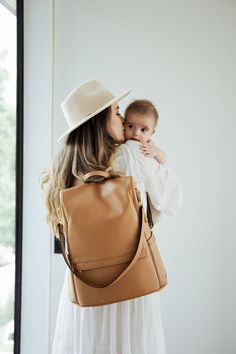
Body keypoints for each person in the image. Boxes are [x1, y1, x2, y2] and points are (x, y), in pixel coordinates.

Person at [41, 80, 183, 354]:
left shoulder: (65, 170)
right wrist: (159, 157)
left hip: (86, 288)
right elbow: (171, 200)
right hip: (132, 278)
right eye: (116, 112)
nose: (123, 119)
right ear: (99, 121)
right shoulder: (132, 153)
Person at [124, 99, 167, 165]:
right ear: (124, 124)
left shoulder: (149, 145)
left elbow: (163, 159)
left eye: (143, 130)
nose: (136, 133)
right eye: (131, 126)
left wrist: (156, 153)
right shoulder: (122, 141)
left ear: (152, 133)